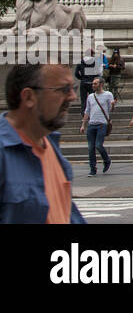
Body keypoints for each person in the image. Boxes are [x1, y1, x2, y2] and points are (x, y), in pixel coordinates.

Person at [1, 64, 85, 223]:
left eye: (73, 88)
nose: (72, 96)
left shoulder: (51, 146)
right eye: (63, 89)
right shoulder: (3, 152)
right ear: (29, 97)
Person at [80, 75, 115, 177]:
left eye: (95, 83)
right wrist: (83, 124)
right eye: (93, 83)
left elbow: (111, 110)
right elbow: (87, 111)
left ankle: (106, 160)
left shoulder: (108, 95)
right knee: (91, 148)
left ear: (101, 84)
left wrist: (113, 105)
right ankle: (92, 169)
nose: (93, 85)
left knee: (98, 145)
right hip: (91, 124)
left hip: (102, 124)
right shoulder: (91, 96)